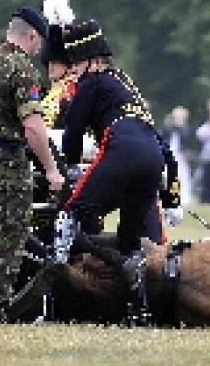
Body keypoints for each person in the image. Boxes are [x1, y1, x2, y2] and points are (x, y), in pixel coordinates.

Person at [53, 19, 166, 325]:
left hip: (122, 151)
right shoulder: (126, 86)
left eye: (76, 63)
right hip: (152, 159)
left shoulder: (91, 83)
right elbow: (161, 141)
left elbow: (73, 132)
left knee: (69, 219)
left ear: (92, 61)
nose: (73, 70)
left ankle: (56, 301)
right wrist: (171, 194)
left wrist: (69, 167)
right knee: (131, 239)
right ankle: (137, 311)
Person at [0, 7, 64, 322]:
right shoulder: (22, 69)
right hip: (7, 159)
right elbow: (32, 125)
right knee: (11, 233)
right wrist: (51, 170)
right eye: (39, 43)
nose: (38, 50)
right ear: (33, 36)